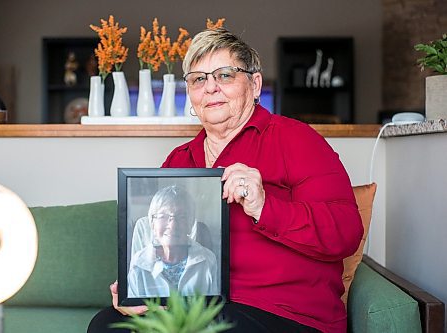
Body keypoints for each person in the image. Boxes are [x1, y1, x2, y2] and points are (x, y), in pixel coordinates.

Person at [88, 27, 363, 333]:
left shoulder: (297, 140)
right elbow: (165, 251)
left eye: (225, 75)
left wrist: (264, 206)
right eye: (198, 79)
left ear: (255, 84)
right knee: (106, 325)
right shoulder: (179, 160)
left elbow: (347, 233)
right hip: (198, 308)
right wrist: (139, 289)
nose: (210, 88)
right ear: (190, 94)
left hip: (283, 312)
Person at [127, 185, 218, 298]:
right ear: (152, 223)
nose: (173, 225)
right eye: (163, 216)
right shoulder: (138, 262)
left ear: (191, 224)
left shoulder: (208, 260)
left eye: (182, 217)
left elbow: (213, 307)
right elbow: (133, 309)